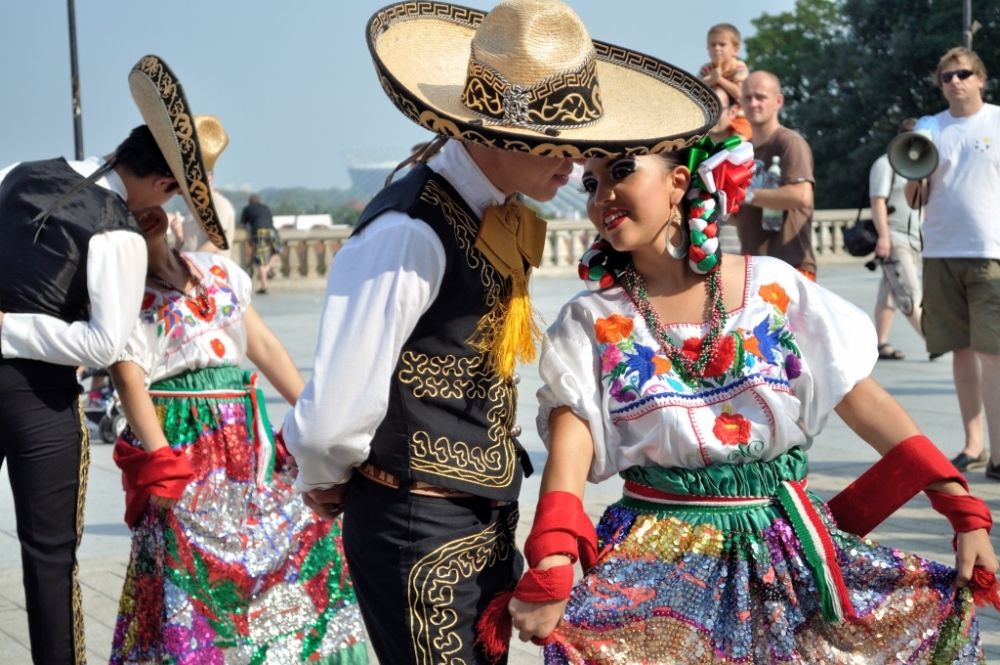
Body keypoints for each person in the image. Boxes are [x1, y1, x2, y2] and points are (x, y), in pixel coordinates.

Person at [280, 1, 720, 662]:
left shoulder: (479, 210)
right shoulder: (408, 230)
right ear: (504, 133)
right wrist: (326, 470)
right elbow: (329, 421)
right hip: (416, 525)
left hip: (471, 517)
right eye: (564, 146)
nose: (576, 169)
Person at [507, 133, 998, 659]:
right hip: (658, 559)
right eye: (590, 182)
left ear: (678, 183)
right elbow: (572, 437)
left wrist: (961, 508)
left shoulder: (771, 288)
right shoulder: (590, 319)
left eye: (621, 171)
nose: (601, 194)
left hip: (785, 551)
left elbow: (861, 399)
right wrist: (553, 555)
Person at [0, 53, 226, 665]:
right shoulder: (118, 230)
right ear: (166, 184)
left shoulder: (19, 169)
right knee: (49, 560)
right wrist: (8, 331)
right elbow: (104, 344)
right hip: (38, 398)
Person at [107, 207, 366, 664]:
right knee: (186, 574)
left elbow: (264, 347)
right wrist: (162, 464)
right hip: (182, 443)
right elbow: (128, 380)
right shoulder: (121, 297)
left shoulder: (217, 271)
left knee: (303, 535)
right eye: (128, 206)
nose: (145, 213)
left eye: (158, 195)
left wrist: (319, 417)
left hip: (247, 440)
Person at [905, 47, 1000, 479]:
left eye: (963, 74)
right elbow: (913, 197)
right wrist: (915, 174)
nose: (955, 82)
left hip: (989, 252)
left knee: (992, 353)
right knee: (960, 352)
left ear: (980, 78)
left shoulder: (996, 121)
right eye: (946, 77)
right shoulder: (930, 127)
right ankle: (973, 444)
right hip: (941, 250)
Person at [735, 70, 817, 280]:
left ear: (778, 101)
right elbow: (739, 214)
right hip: (754, 268)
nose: (753, 103)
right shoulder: (742, 151)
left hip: (792, 267)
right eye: (748, 97)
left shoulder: (789, 142)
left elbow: (801, 196)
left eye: (761, 97)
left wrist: (747, 195)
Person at [870, 117, 924, 361]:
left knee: (890, 292)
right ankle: (934, 340)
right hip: (894, 236)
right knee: (910, 293)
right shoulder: (885, 164)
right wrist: (883, 237)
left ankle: (880, 343)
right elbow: (877, 200)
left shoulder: (923, 165)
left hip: (915, 238)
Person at [171, 115, 237, 259]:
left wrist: (187, 263)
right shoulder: (189, 207)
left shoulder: (219, 203)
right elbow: (185, 246)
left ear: (210, 178)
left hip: (210, 275)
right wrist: (179, 239)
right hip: (192, 275)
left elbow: (217, 243)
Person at [699, 23, 752, 140]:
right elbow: (695, 91)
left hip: (737, 116)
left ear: (735, 49)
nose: (717, 48)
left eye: (722, 45)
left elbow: (740, 94)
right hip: (711, 116)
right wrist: (710, 80)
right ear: (708, 49)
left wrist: (719, 80)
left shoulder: (739, 68)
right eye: (713, 45)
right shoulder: (706, 69)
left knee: (740, 137)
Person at [240, 193, 280, 294]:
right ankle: (268, 268)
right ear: (260, 201)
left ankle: (264, 284)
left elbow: (242, 225)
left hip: (259, 231)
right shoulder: (265, 207)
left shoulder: (247, 209)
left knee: (260, 261)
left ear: (249, 202)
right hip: (271, 231)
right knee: (277, 251)